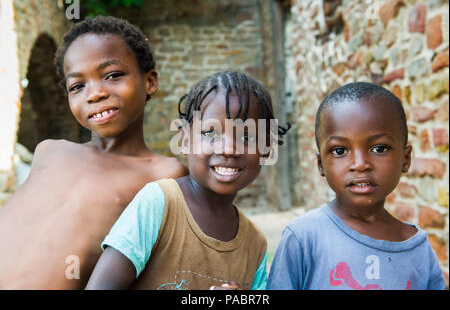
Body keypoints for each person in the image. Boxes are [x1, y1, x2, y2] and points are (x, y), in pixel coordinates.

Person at [0, 16, 188, 289]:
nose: (95, 94)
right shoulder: (50, 151)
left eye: (112, 75)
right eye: (77, 86)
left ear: (150, 81)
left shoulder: (164, 173)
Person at [85, 71, 290, 290]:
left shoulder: (254, 244)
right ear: (185, 140)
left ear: (266, 148)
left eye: (246, 137)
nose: (229, 148)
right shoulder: (159, 204)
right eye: (210, 133)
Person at [267, 82, 446, 290]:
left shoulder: (418, 250)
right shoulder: (303, 237)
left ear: (405, 159)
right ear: (320, 164)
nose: (360, 164)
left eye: (379, 148)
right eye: (340, 151)